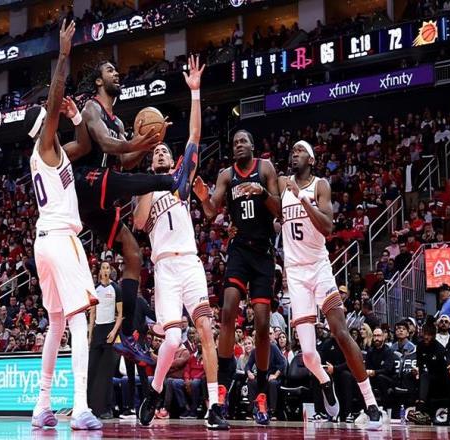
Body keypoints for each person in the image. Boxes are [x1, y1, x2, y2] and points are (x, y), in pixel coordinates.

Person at [68, 56, 197, 366]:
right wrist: (136, 142)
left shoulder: (119, 123)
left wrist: (146, 143)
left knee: (134, 254)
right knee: (120, 179)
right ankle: (171, 180)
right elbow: (106, 145)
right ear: (99, 80)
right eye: (110, 70)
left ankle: (127, 334)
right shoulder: (91, 108)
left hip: (102, 196)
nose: (117, 74)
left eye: (116, 70)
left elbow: (126, 160)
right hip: (85, 183)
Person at [134, 56, 228, 430]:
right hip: (164, 270)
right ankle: (155, 390)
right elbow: (139, 222)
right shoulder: (145, 188)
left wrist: (195, 93)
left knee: (205, 329)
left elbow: (195, 137)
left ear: (172, 161)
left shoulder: (180, 183)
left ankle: (215, 405)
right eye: (156, 152)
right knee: (172, 339)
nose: (161, 153)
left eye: (164, 151)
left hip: (189, 263)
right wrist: (146, 170)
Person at [28, 20, 101, 430]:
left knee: (56, 323)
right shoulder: (45, 145)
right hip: (60, 239)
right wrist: (63, 54)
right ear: (46, 125)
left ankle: (42, 406)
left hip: (44, 242)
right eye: (52, 117)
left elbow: (85, 145)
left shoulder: (53, 155)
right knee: (76, 320)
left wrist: (76, 119)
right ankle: (81, 406)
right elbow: (54, 97)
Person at [278, 140, 382, 428]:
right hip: (295, 274)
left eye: (300, 151)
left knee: (340, 331)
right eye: (292, 151)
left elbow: (326, 227)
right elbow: (277, 215)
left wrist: (301, 198)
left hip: (319, 267)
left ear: (311, 160)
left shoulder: (319, 185)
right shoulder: (283, 184)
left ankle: (371, 403)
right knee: (308, 354)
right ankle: (325, 382)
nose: (294, 154)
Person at [193, 130, 281, 425]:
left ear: (253, 146)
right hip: (240, 249)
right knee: (228, 309)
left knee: (262, 324)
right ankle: (223, 382)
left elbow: (280, 209)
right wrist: (203, 197)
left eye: (244, 141)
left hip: (263, 253)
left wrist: (261, 192)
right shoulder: (226, 175)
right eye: (235, 143)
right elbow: (210, 211)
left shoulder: (265, 168)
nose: (239, 145)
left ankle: (261, 391)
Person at [88, 261, 123, 419]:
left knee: (107, 372)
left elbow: (120, 314)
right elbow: (92, 314)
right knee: (92, 369)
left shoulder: (116, 288)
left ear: (110, 271)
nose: (105, 270)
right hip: (98, 331)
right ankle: (90, 407)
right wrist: (90, 335)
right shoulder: (95, 289)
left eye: (108, 268)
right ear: (100, 271)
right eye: (103, 268)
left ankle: (107, 409)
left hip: (110, 330)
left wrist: (114, 331)